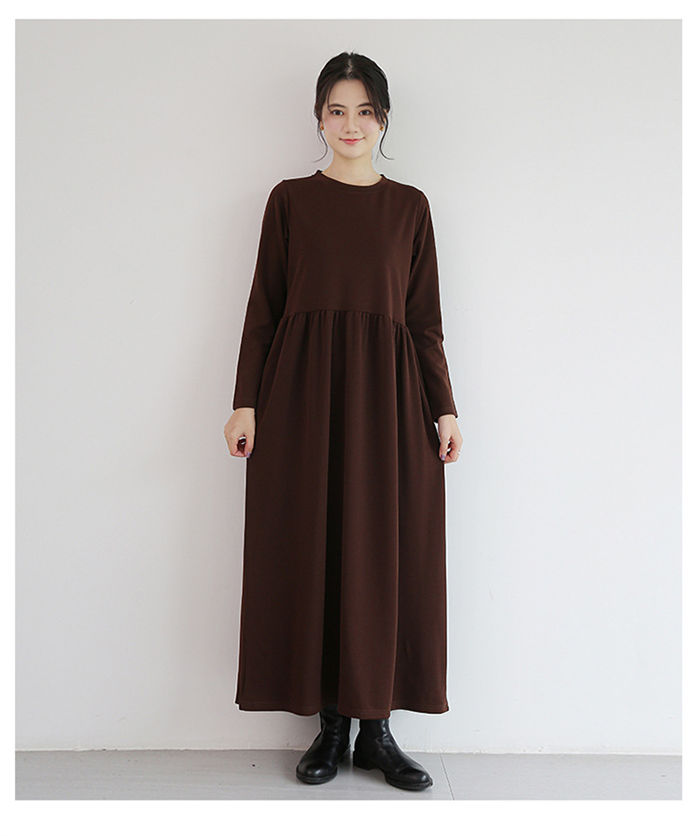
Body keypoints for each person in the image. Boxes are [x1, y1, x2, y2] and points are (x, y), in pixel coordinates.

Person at [223, 51, 462, 792]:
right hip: (302, 401)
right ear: (319, 117)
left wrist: (445, 407)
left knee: (383, 557)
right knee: (315, 549)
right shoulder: (290, 201)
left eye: (364, 110)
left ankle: (376, 731)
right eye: (337, 110)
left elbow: (423, 322)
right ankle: (330, 727)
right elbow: (263, 309)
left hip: (389, 405)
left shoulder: (410, 207)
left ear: (383, 119)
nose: (350, 124)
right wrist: (244, 400)